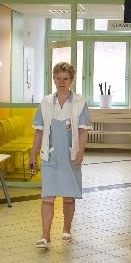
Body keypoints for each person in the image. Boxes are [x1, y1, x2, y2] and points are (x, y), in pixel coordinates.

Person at [29, 62, 90, 249]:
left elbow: (83, 131)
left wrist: (81, 151)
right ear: (53, 79)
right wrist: (33, 154)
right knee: (47, 197)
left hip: (70, 157)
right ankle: (45, 236)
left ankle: (66, 230)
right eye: (58, 78)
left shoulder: (80, 103)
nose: (61, 82)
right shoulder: (46, 102)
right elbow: (39, 131)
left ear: (71, 80)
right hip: (50, 157)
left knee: (69, 197)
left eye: (65, 78)